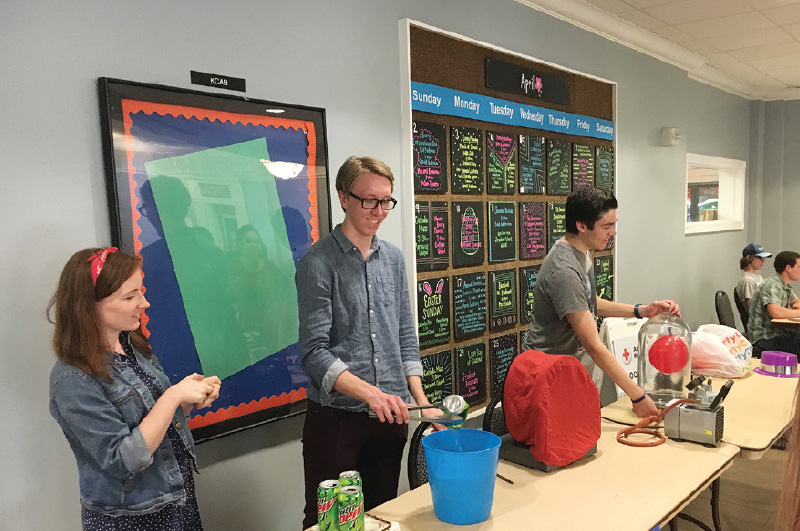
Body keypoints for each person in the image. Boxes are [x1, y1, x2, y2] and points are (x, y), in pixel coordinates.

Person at [296, 156, 442, 529]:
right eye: (369, 201)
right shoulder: (318, 262)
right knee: (330, 521)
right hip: (337, 421)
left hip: (391, 417)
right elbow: (313, 352)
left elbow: (405, 336)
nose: (379, 211)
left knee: (381, 515)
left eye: (386, 202)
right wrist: (370, 394)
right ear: (344, 197)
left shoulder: (392, 258)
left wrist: (423, 404)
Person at [48, 247, 221, 530]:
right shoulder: (72, 380)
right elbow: (124, 458)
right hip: (131, 518)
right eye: (130, 297)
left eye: (140, 291)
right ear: (89, 306)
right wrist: (173, 395)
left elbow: (152, 422)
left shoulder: (132, 346)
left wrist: (189, 398)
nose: (144, 304)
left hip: (176, 498)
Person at [522, 186, 681, 418]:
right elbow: (594, 345)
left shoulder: (580, 252)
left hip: (569, 373)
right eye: (607, 226)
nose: (613, 232)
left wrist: (642, 310)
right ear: (581, 225)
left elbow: (588, 302)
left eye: (614, 224)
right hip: (550, 379)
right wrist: (637, 396)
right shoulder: (564, 270)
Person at [746, 250, 800, 357]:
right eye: (799, 267)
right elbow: (776, 312)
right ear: (788, 268)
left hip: (777, 333)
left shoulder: (784, 285)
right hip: (765, 337)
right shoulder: (771, 284)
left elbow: (797, 302)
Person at [735, 242, 772, 307]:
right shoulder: (748, 280)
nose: (763, 261)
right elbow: (753, 308)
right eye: (760, 258)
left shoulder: (758, 276)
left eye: (764, 258)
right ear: (749, 258)